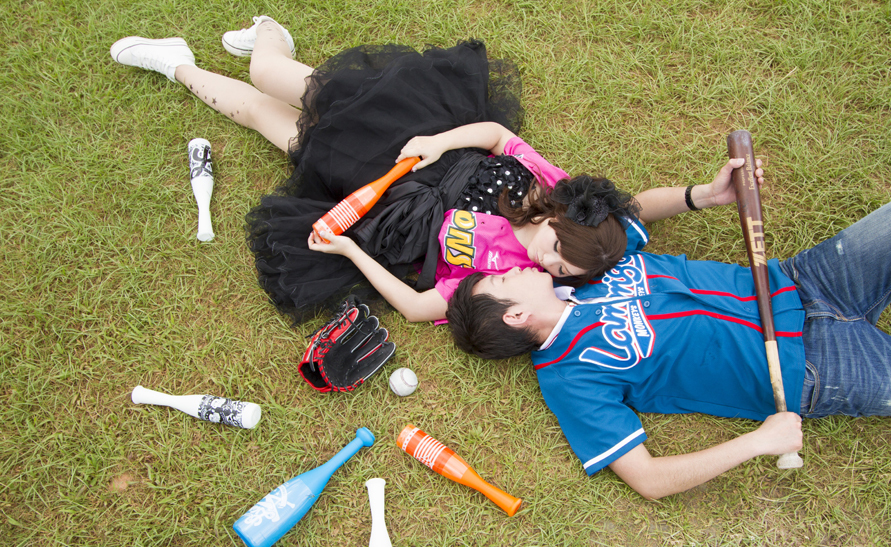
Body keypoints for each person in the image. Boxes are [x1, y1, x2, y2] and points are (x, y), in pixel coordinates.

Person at [110, 18, 760, 323]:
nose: (551, 264)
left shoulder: (510, 278)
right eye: (559, 248)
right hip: (408, 138)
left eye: (563, 272)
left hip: (370, 195)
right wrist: (703, 196)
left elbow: (424, 307)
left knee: (260, 115)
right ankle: (269, 33)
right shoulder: (547, 186)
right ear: (563, 216)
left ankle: (176, 63)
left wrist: (349, 250)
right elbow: (501, 136)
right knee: (268, 74)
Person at [446, 171, 891, 499]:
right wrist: (759, 442)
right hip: (814, 368)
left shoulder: (582, 266)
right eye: (503, 280)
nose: (515, 268)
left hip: (807, 279)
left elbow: (635, 211)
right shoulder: (568, 376)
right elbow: (648, 479)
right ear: (515, 316)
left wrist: (705, 195)